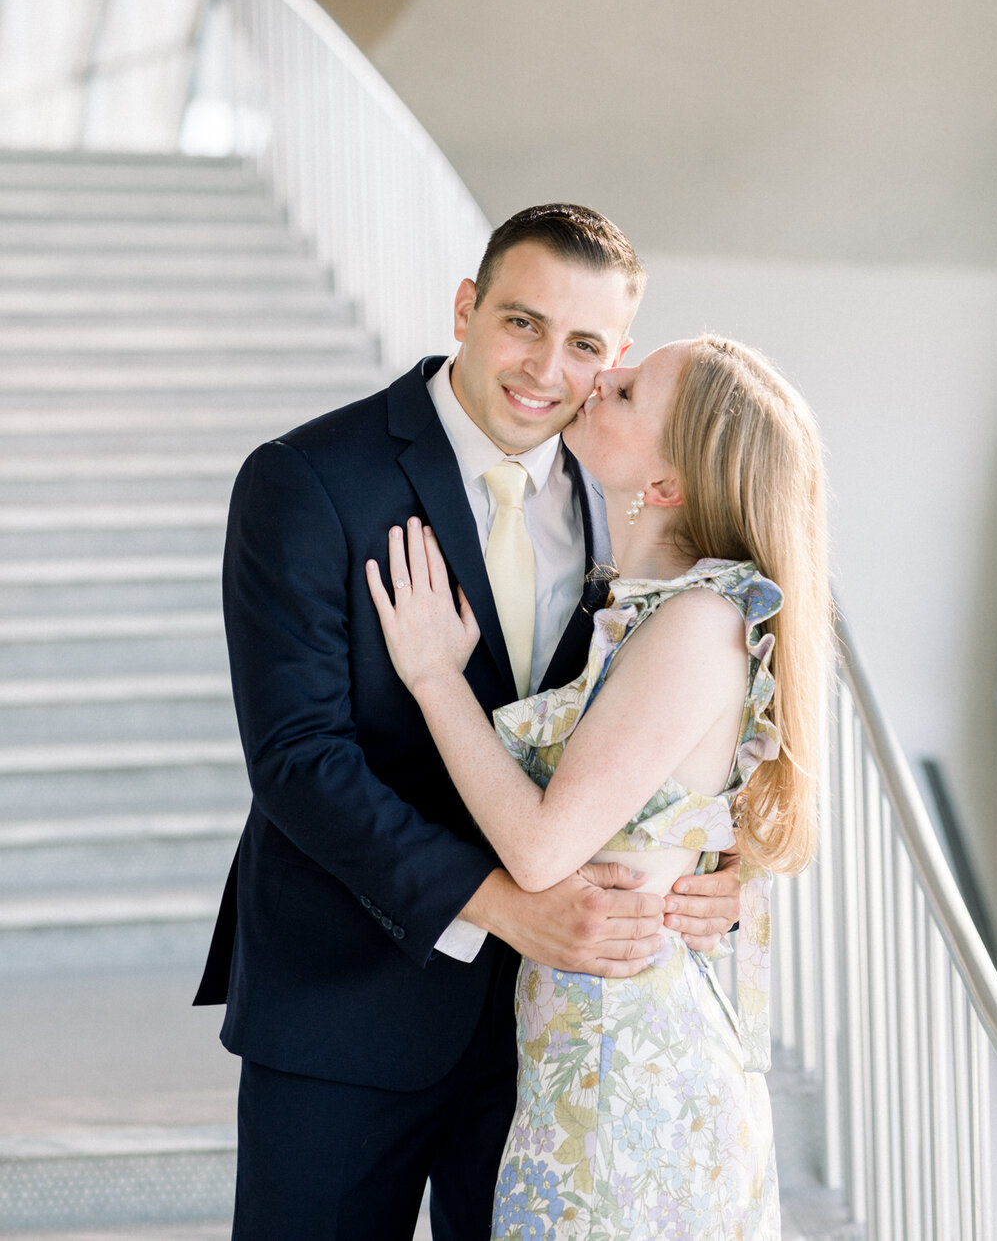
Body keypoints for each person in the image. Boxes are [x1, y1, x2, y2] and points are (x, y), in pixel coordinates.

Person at [194, 205, 741, 1240]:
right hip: (346, 1003)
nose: (545, 368)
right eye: (522, 323)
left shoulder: (622, 486)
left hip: (547, 1028)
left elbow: (664, 728)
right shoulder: (308, 479)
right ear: (466, 308)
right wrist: (501, 906)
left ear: (614, 358)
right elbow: (299, 761)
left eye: (584, 345)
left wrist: (714, 877)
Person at [368, 334, 830, 1240]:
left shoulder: (698, 621)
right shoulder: (651, 607)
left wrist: (434, 678)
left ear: (666, 485)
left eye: (625, 392)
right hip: (589, 1059)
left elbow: (542, 848)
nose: (598, 379)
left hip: (630, 1081)